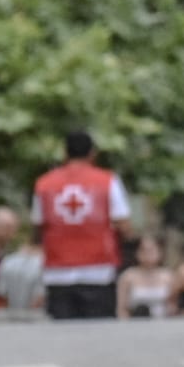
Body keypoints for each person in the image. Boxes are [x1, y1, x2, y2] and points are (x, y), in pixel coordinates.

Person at [31, 130, 133, 319]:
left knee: (63, 335)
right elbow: (123, 224)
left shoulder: (44, 184)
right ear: (92, 153)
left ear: (65, 152)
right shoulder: (107, 181)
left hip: (57, 271)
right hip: (99, 269)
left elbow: (38, 224)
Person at [115, 233, 175, 319]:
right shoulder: (127, 276)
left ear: (160, 251)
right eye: (143, 250)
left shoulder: (169, 276)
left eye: (151, 250)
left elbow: (173, 305)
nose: (147, 254)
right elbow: (121, 309)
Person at [0, 228, 46, 312]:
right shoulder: (44, 264)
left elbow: (0, 297)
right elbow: (40, 300)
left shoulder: (8, 261)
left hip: (12, 320)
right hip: (37, 321)